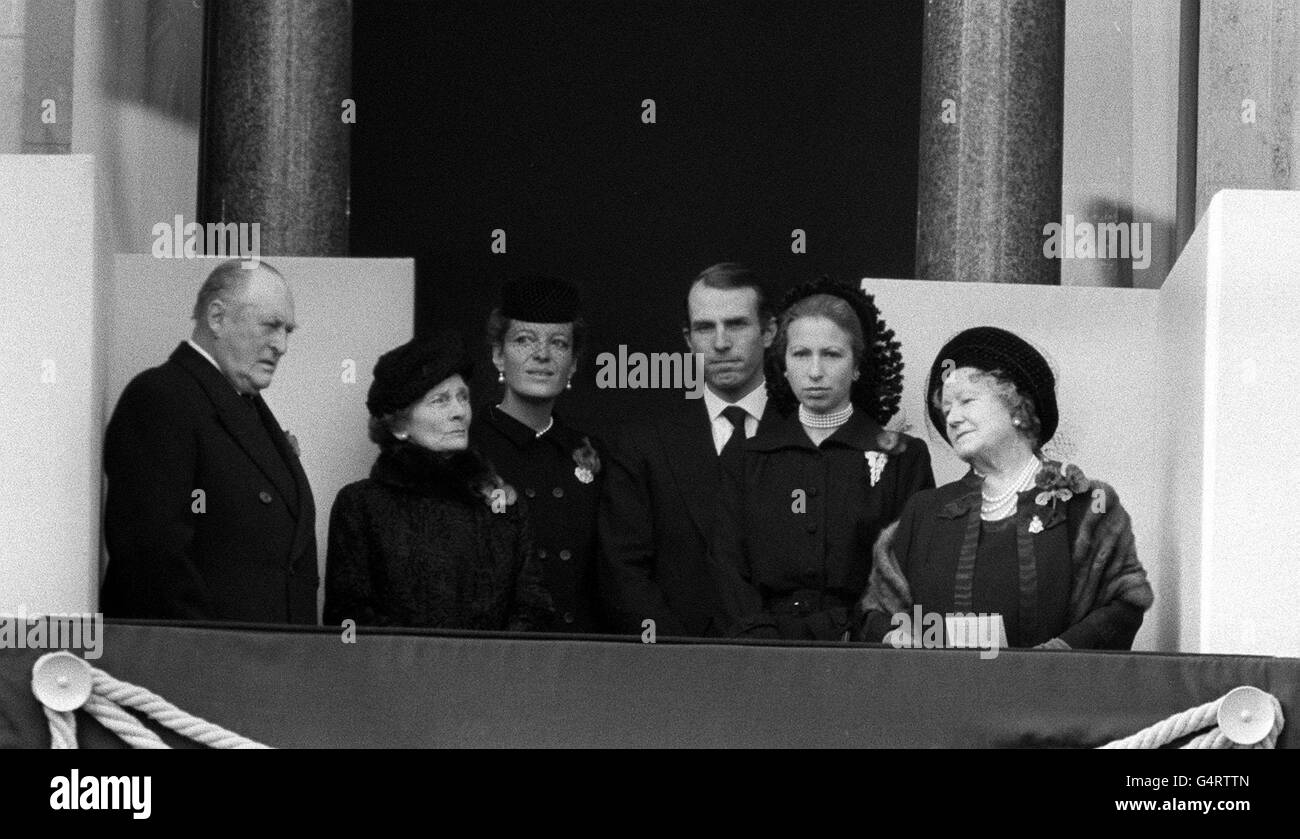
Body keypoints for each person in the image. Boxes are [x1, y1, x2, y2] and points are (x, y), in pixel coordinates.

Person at [854, 326, 1153, 649]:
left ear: (1018, 407)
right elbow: (875, 613)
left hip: (1051, 694)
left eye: (966, 400)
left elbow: (1123, 605)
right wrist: (898, 636)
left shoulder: (1087, 507)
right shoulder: (923, 512)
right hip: (943, 693)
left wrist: (1056, 656)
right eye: (946, 408)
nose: (952, 418)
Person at [708, 277, 934, 640]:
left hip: (865, 650)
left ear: (857, 365)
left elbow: (910, 565)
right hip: (761, 650)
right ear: (783, 364)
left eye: (831, 354)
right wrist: (760, 636)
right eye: (800, 354)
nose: (815, 371)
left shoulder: (903, 457)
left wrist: (868, 630)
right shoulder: (747, 457)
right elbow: (727, 566)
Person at [101, 260, 317, 623]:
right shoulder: (161, 397)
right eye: (271, 326)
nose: (281, 345)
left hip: (267, 661)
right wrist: (207, 655)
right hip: (201, 661)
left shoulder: (238, 403)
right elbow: (152, 556)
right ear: (217, 317)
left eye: (288, 331)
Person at [323, 333, 553, 631]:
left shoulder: (501, 506)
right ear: (400, 425)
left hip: (493, 675)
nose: (459, 412)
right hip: (395, 675)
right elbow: (348, 617)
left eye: (463, 397)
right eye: (440, 400)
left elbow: (533, 609)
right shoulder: (361, 505)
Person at [598, 263, 778, 637]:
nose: (721, 342)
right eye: (705, 327)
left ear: (770, 331)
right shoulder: (643, 445)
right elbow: (623, 571)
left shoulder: (810, 437)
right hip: (674, 670)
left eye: (737, 324)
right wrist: (682, 657)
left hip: (789, 668)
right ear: (687, 338)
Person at [470, 275, 605, 632]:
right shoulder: (467, 447)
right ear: (498, 354)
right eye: (524, 340)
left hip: (577, 654)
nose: (542, 355)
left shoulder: (590, 452)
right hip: (491, 655)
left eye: (559, 343)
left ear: (574, 362)